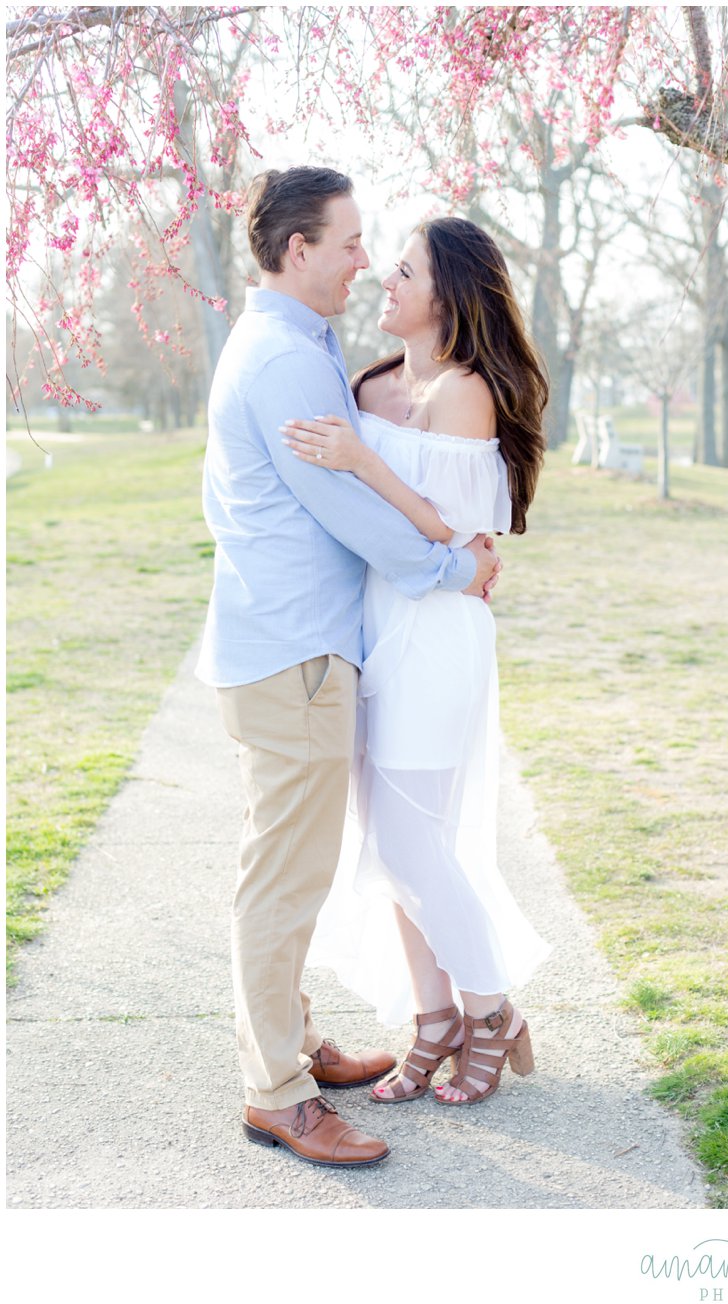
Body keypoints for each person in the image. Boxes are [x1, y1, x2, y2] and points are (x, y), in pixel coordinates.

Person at [198, 167, 501, 1167]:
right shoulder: (286, 360)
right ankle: (277, 1089)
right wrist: (454, 566)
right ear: (299, 251)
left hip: (298, 650)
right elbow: (346, 511)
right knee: (284, 877)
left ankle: (289, 1042)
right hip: (293, 654)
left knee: (294, 866)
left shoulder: (298, 344)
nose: (362, 259)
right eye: (349, 241)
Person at [289, 217, 550, 1106]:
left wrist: (364, 458)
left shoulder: (464, 393)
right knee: (390, 842)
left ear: (449, 294)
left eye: (403, 269)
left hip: (437, 631)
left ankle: (489, 1012)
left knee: (412, 840)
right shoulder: (367, 383)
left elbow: (449, 528)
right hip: (370, 625)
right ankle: (431, 1019)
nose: (384, 280)